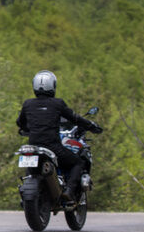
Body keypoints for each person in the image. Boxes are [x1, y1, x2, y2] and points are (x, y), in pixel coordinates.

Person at [16, 70, 102, 200]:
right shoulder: (57, 103)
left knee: (31, 167)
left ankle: (28, 192)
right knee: (77, 163)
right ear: (53, 86)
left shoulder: (28, 104)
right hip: (53, 147)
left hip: (33, 146)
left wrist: (29, 129)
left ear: (34, 85)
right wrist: (91, 126)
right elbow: (75, 118)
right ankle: (69, 190)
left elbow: (20, 123)